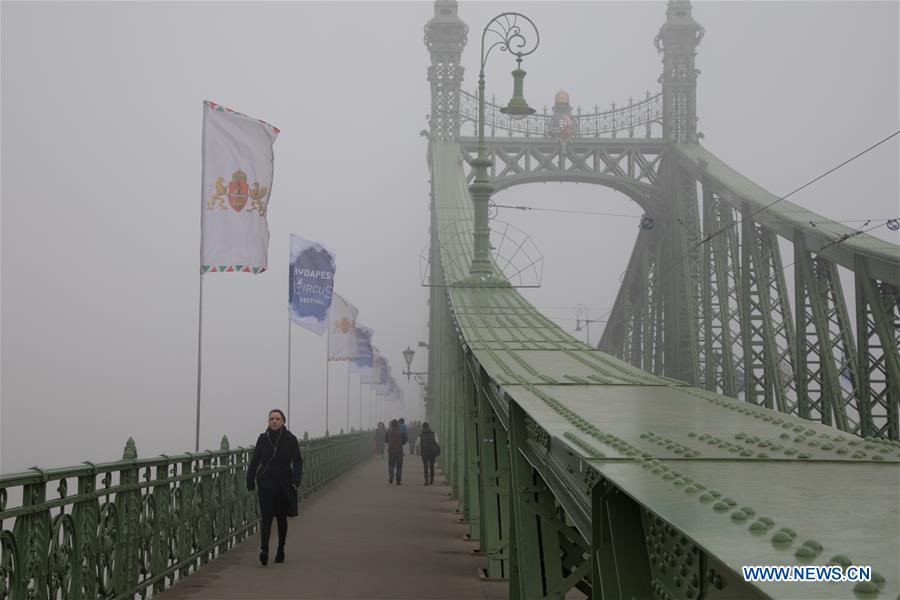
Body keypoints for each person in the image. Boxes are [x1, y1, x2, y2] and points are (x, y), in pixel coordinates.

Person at [246, 409, 303, 566]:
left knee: (281, 518)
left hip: (284, 483)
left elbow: (298, 460)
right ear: (268, 421)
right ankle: (264, 549)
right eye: (272, 418)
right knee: (266, 517)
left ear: (283, 421)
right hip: (266, 483)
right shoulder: (263, 439)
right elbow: (255, 460)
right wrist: (249, 479)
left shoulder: (290, 439)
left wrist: (296, 478)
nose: (274, 421)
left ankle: (280, 548)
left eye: (278, 418)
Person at [385, 419, 407, 485]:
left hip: (391, 451)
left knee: (391, 464)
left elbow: (385, 440)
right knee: (399, 466)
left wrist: (390, 442)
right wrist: (400, 443)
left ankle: (391, 474)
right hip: (399, 451)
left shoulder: (388, 431)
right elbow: (404, 441)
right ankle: (398, 481)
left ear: (391, 424)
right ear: (398, 424)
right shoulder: (401, 432)